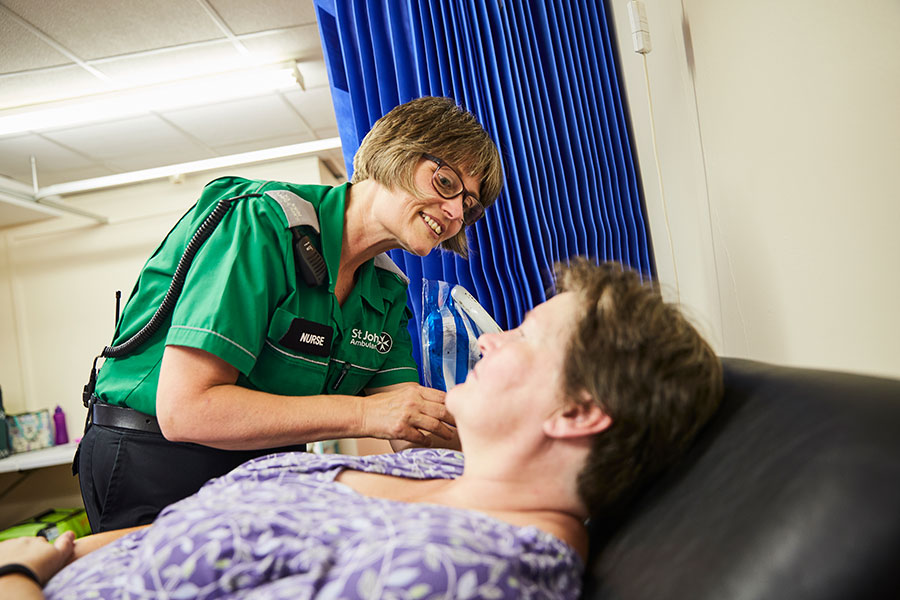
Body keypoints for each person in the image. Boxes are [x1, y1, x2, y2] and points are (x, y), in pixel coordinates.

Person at [0, 259, 723, 599]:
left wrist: (19, 576)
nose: (489, 339)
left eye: (526, 336)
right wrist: (57, 552)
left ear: (576, 413)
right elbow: (181, 527)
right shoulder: (442, 473)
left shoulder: (464, 575)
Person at [75, 96, 505, 533]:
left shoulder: (387, 289)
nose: (455, 213)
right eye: (446, 182)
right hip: (153, 454)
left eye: (468, 206)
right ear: (394, 152)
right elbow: (186, 410)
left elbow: (405, 422)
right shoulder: (262, 225)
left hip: (269, 461)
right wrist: (362, 416)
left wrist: (512, 444)